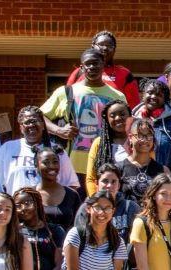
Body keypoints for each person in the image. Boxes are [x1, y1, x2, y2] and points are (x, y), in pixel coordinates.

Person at [42, 48, 127, 180]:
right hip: (72, 167)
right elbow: (39, 116)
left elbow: (126, 127)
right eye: (88, 64)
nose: (92, 67)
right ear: (82, 67)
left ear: (103, 64)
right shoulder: (66, 92)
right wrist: (59, 130)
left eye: (96, 63)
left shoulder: (117, 96)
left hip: (107, 166)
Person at [0, 106, 78, 194]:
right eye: (27, 122)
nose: (31, 125)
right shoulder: (8, 148)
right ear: (21, 128)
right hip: (17, 207)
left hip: (49, 208)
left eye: (35, 121)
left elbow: (71, 185)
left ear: (43, 125)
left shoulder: (57, 151)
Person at [132, 79, 171, 180]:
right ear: (143, 95)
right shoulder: (133, 118)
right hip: (139, 179)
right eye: (150, 93)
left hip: (167, 182)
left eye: (159, 95)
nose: (154, 97)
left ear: (165, 99)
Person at [129, 174, 171, 270]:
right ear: (154, 195)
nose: (169, 198)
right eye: (163, 193)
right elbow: (142, 266)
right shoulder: (141, 223)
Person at [66, 31, 141, 108]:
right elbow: (67, 98)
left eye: (109, 45)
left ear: (114, 50)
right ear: (93, 47)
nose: (105, 48)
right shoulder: (80, 71)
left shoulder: (125, 74)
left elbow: (134, 106)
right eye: (101, 44)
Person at [74, 164, 140, 249]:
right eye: (105, 181)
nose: (109, 186)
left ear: (119, 185)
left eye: (114, 182)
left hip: (121, 257)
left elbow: (137, 241)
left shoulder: (130, 207)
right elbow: (79, 239)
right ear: (96, 183)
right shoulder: (86, 208)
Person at [63, 190, 129, 270]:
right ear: (88, 209)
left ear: (113, 211)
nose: (102, 212)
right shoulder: (76, 235)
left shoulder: (118, 242)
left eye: (107, 208)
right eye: (97, 207)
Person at [85, 99, 132, 195]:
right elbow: (91, 178)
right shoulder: (99, 143)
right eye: (112, 116)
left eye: (122, 114)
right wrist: (97, 200)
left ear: (130, 117)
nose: (118, 118)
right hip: (105, 200)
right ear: (107, 119)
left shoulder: (137, 141)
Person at [119, 118, 171, 203]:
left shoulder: (163, 170)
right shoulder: (120, 168)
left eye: (149, 135)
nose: (145, 140)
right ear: (130, 138)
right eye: (140, 135)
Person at [14, 187, 66, 270]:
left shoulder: (54, 230)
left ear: (37, 204)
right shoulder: (16, 232)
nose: (23, 208)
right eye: (18, 206)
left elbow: (59, 264)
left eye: (27, 203)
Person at [33, 146, 82, 231]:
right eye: (46, 162)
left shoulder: (72, 195)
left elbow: (80, 226)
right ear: (36, 166)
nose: (51, 166)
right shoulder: (30, 195)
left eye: (55, 162)